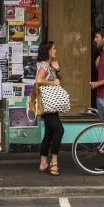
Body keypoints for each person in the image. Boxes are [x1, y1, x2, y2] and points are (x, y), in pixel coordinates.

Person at [35, 40, 64, 176]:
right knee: (59, 130)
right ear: (47, 51)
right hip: (48, 104)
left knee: (49, 133)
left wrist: (57, 69)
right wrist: (53, 82)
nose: (55, 51)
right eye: (53, 49)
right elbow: (39, 80)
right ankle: (54, 161)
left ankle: (43, 163)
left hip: (51, 103)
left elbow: (60, 80)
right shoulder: (44, 66)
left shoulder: (49, 65)